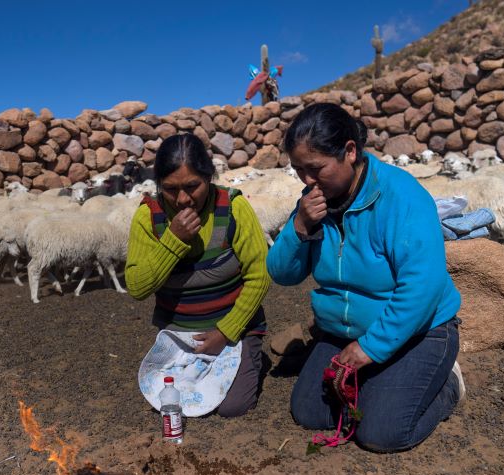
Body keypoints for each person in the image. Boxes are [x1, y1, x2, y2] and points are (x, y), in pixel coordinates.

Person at [266, 103, 464, 452]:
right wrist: (299, 227)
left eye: (316, 168)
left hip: (418, 330)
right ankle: (385, 380)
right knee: (310, 413)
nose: (307, 181)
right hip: (340, 331)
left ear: (350, 151)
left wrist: (371, 348)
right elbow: (282, 274)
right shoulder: (312, 203)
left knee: (381, 433)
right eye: (299, 170)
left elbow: (423, 285)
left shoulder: (400, 196)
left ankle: (448, 385)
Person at [125, 134, 271, 418]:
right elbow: (137, 286)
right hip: (180, 336)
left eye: (193, 186)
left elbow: (260, 276)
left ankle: (251, 354)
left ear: (209, 177)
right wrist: (173, 241)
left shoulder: (234, 209)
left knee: (232, 408)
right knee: (172, 403)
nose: (182, 199)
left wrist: (225, 332)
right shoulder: (148, 218)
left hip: (233, 331)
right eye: (170, 189)